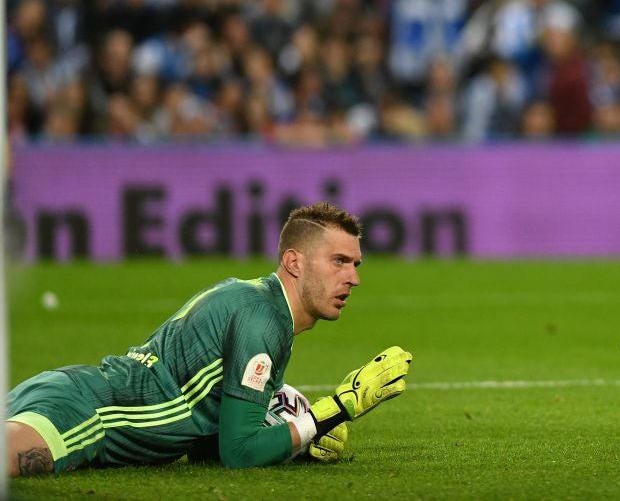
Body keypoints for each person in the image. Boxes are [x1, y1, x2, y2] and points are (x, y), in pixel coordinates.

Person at [7, 203, 412, 476]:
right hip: (87, 415)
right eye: (339, 261)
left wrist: (297, 436)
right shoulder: (263, 320)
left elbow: (206, 444)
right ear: (294, 262)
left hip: (71, 390)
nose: (353, 278)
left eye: (356, 264)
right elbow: (239, 453)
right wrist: (337, 409)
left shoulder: (259, 303)